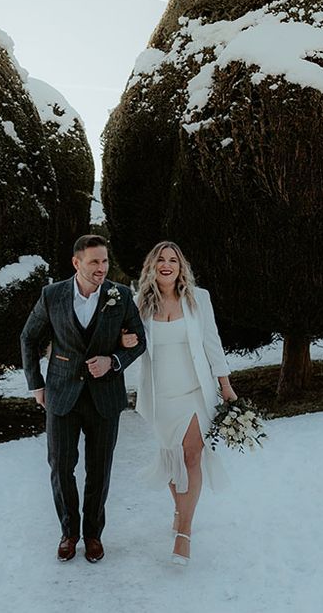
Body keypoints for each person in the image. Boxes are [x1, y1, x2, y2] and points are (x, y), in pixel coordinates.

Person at [21, 234, 145, 563]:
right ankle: (68, 532)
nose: (101, 268)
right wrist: (36, 384)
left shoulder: (120, 295)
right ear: (77, 263)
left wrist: (114, 360)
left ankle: (92, 535)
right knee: (61, 468)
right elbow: (28, 338)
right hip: (62, 395)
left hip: (104, 397)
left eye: (105, 261)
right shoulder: (52, 295)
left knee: (99, 470)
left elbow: (140, 340)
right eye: (94, 261)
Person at [122, 241, 236, 566]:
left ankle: (184, 533)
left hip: (194, 392)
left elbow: (213, 343)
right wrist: (123, 340)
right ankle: (179, 508)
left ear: (181, 266)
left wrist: (225, 385)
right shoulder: (139, 304)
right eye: (161, 260)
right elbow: (127, 342)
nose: (167, 265)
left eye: (173, 260)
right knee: (173, 460)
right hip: (161, 397)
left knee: (191, 455)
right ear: (152, 267)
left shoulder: (199, 299)